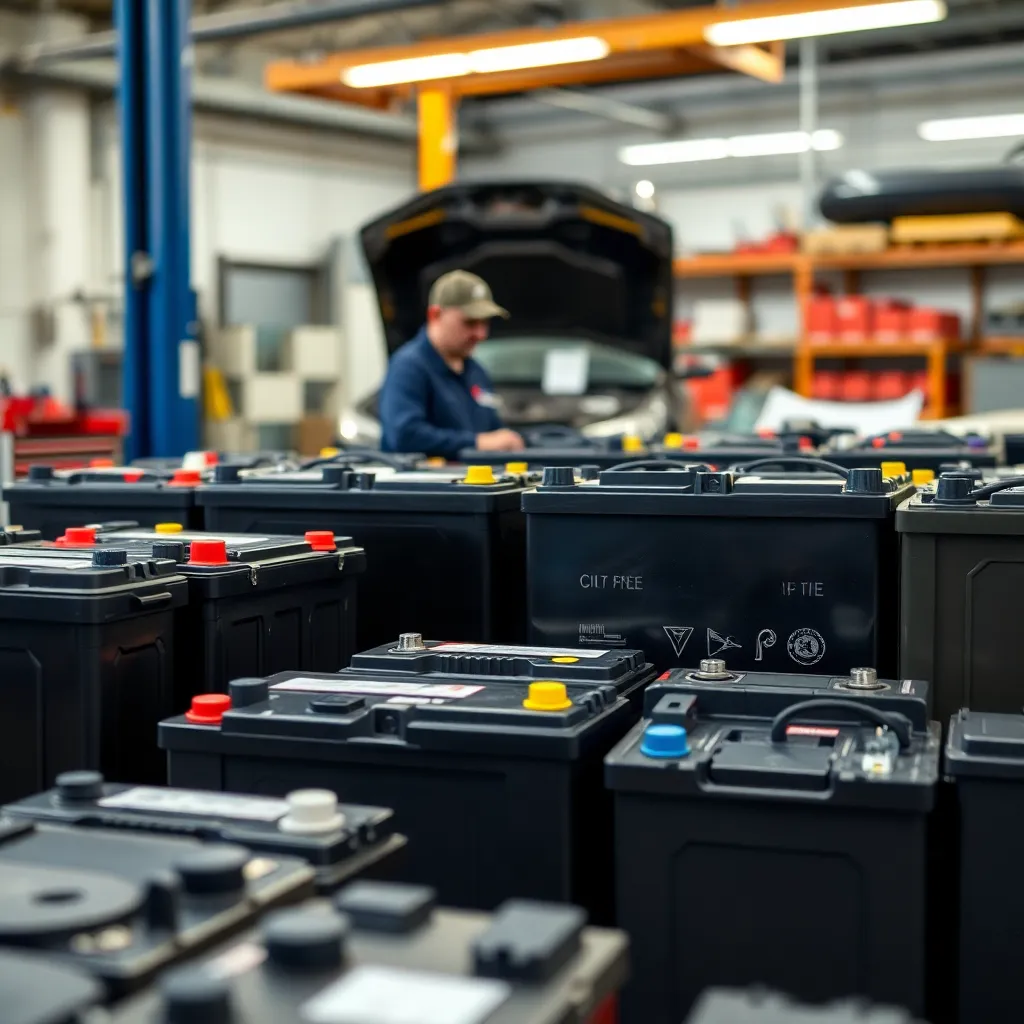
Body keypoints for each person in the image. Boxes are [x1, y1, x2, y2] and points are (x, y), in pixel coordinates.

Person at [379, 270, 525, 458]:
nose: (481, 335)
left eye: (484, 323)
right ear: (435, 315)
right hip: (425, 486)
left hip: (475, 483)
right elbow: (404, 435)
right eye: (469, 322)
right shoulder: (408, 366)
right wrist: (477, 443)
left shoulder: (476, 372)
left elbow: (493, 431)